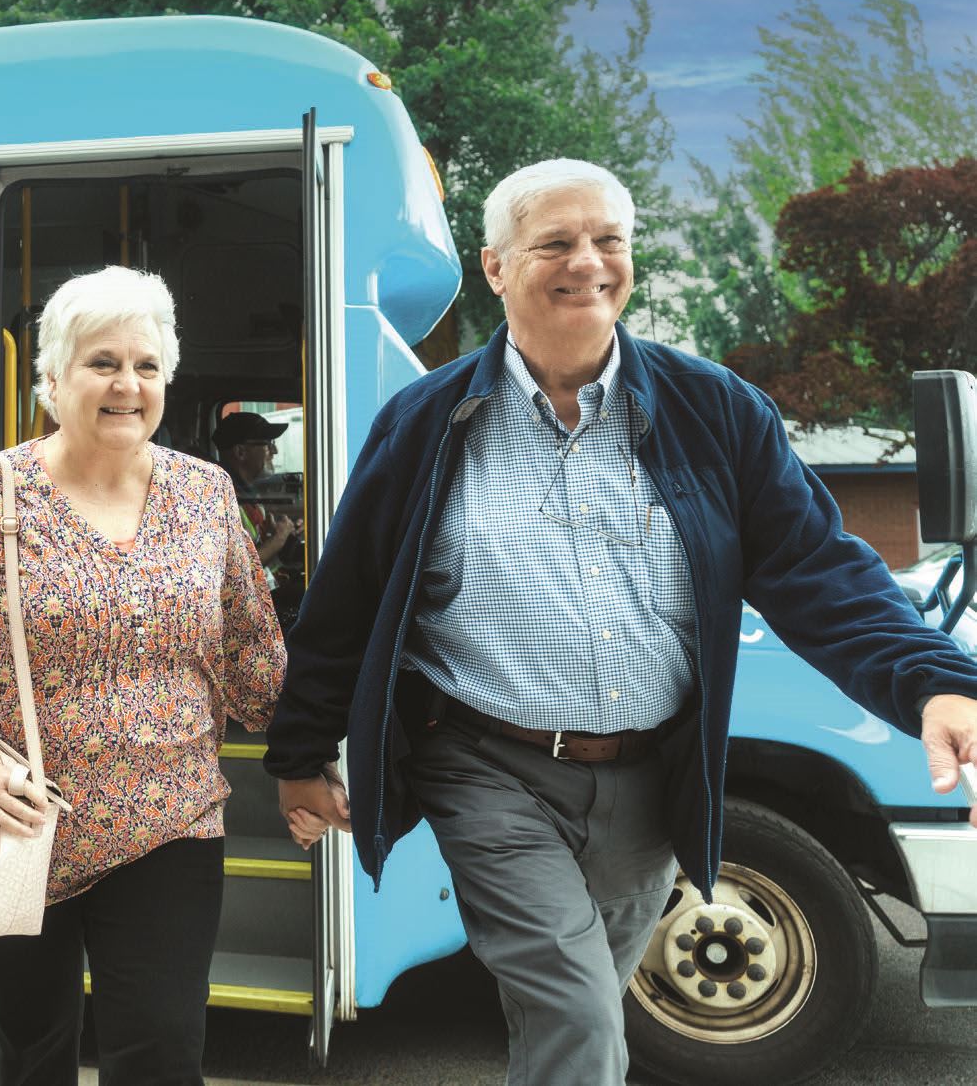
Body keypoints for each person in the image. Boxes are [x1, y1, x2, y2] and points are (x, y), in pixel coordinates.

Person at [264, 158, 977, 1085]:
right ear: (496, 266)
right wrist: (299, 754)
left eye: (610, 241)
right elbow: (347, 601)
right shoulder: (427, 423)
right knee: (581, 1012)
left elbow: (817, 569)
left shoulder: (715, 410)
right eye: (555, 242)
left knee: (584, 1000)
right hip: (486, 768)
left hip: (652, 775)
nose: (588, 263)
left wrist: (935, 681)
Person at [0, 265, 285, 1085]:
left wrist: (313, 752)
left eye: (145, 365)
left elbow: (250, 650)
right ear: (53, 379)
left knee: (164, 1054)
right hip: (25, 821)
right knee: (33, 1049)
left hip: (172, 821)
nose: (126, 385)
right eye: (102, 362)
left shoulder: (207, 496)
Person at [213, 411, 300, 584]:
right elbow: (236, 573)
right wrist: (278, 539)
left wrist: (287, 539)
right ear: (241, 452)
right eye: (268, 444)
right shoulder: (220, 501)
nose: (274, 451)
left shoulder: (250, 497)